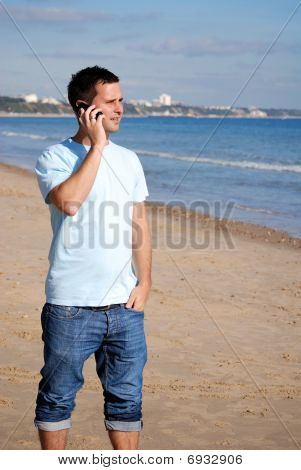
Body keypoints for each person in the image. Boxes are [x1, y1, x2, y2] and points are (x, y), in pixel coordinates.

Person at [33, 66, 152, 450]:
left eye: (122, 100)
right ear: (86, 108)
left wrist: (145, 282)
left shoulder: (130, 159)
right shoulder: (54, 157)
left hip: (125, 307)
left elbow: (139, 225)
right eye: (112, 102)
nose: (121, 108)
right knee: (57, 398)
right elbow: (69, 202)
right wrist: (97, 147)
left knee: (127, 401)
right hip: (70, 306)